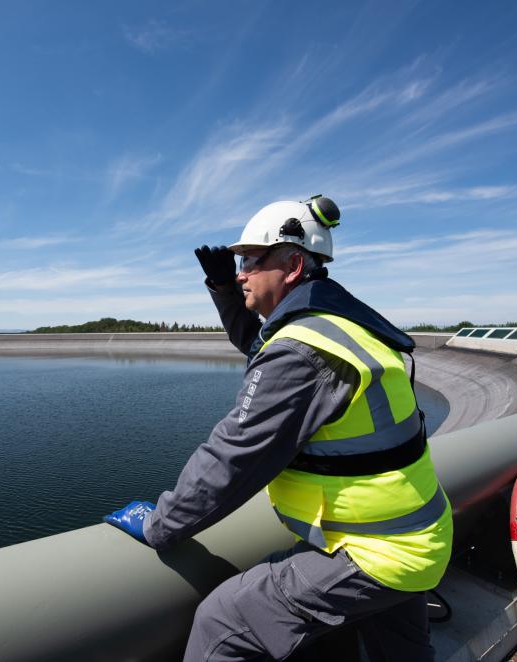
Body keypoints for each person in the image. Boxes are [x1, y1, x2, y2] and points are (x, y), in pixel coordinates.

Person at [105, 196, 453, 661]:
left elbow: (232, 458)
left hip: (376, 554)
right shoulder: (340, 326)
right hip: (420, 537)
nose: (241, 272)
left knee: (223, 620)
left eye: (250, 260)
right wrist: (224, 289)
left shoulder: (302, 351)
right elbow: (259, 344)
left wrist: (159, 524)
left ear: (291, 263)